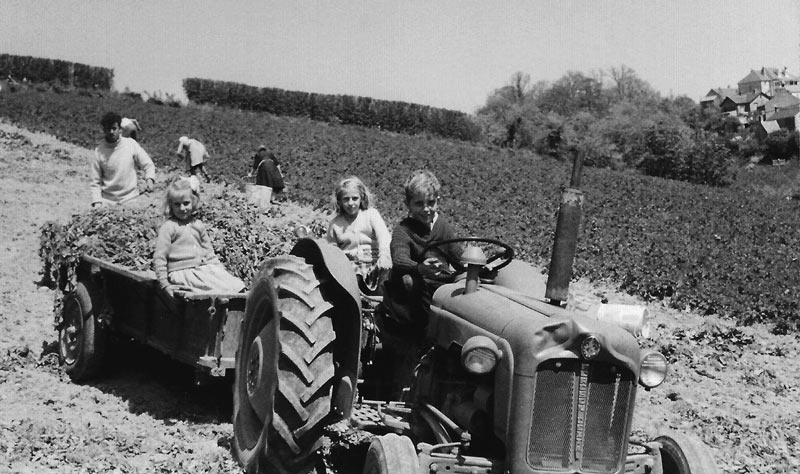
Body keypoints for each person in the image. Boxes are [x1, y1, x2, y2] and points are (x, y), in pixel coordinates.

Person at [386, 169, 463, 330]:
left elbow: (458, 257)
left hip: (440, 282)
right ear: (408, 205)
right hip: (414, 289)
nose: (426, 209)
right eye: (419, 204)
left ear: (437, 201)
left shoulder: (442, 227)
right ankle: (418, 330)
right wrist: (420, 268)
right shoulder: (403, 230)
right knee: (409, 281)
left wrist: (476, 266)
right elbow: (399, 259)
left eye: (431, 203)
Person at [153, 178, 245, 296]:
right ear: (171, 205)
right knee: (213, 289)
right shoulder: (169, 227)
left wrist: (219, 271)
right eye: (177, 204)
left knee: (233, 284)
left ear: (193, 202)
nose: (182, 208)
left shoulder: (198, 225)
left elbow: (209, 253)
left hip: (200, 269)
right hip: (182, 273)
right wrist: (164, 283)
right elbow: (160, 257)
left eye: (186, 203)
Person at [326, 177, 392, 291]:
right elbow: (331, 251)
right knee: (351, 279)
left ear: (362, 198)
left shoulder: (371, 215)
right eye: (346, 199)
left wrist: (385, 256)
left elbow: (384, 237)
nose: (351, 203)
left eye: (355, 198)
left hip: (374, 264)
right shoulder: (335, 224)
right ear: (339, 201)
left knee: (387, 277)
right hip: (349, 269)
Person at [90, 111, 155, 207]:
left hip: (131, 199)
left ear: (120, 129)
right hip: (108, 201)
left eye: (114, 128)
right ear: (104, 130)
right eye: (108, 129)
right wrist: (97, 202)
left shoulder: (131, 144)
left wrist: (149, 179)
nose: (111, 132)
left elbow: (148, 164)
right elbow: (95, 181)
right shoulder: (99, 151)